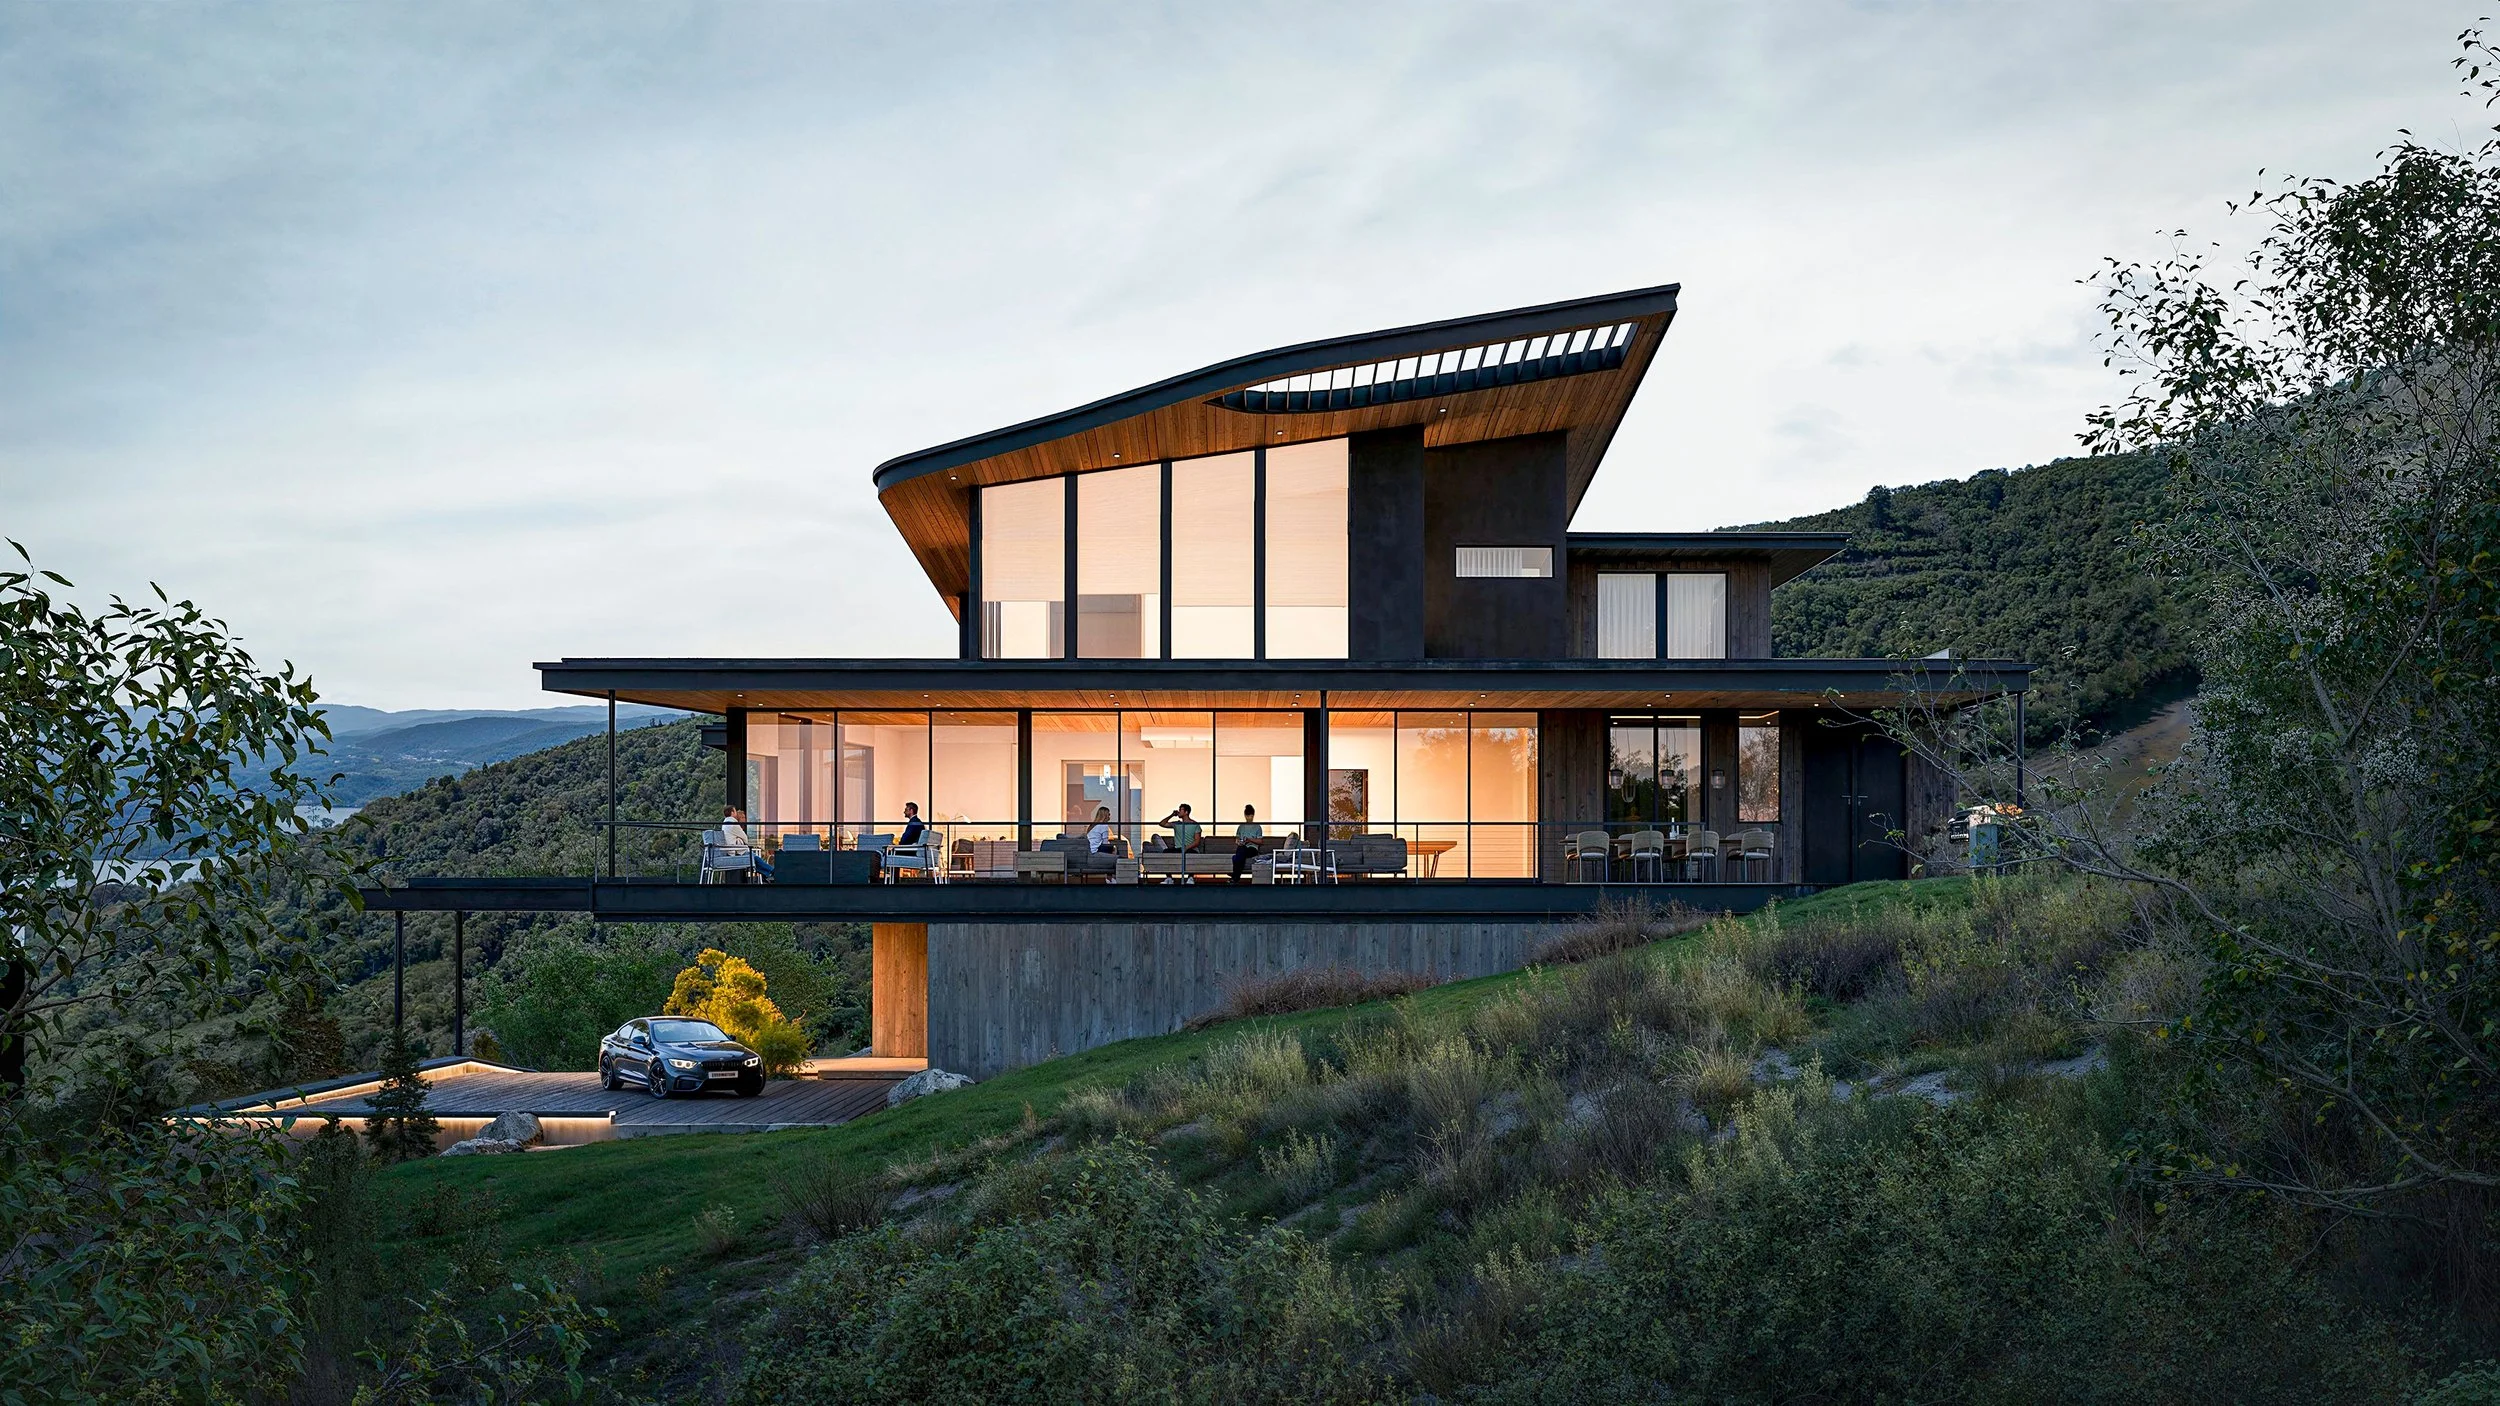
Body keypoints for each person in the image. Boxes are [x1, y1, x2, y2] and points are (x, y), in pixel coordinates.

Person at [721, 806, 772, 881]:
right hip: (734, 851)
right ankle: (772, 872)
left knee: (754, 858)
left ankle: (769, 873)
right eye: (735, 811)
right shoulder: (733, 823)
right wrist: (741, 839)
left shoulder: (725, 823)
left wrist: (739, 839)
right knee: (754, 857)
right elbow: (745, 838)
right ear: (732, 813)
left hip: (732, 850)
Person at [1230, 803, 1265, 880]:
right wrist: (1239, 842)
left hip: (1252, 849)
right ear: (1245, 816)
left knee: (1237, 856)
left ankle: (1235, 875)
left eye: (1251, 816)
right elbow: (1237, 839)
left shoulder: (1257, 827)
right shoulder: (1241, 826)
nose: (1250, 818)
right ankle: (1235, 877)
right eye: (1248, 816)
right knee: (1241, 851)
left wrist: (1249, 840)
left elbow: (1260, 841)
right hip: (1242, 847)